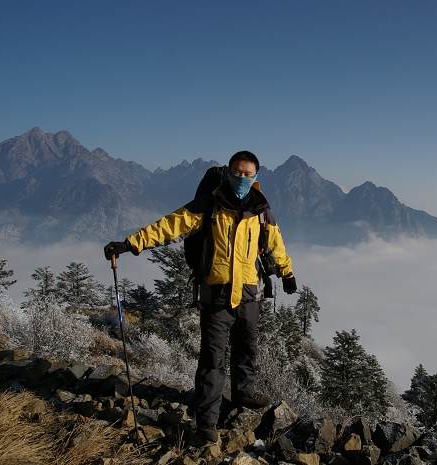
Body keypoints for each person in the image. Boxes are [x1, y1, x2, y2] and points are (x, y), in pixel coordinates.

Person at [104, 151, 297, 443]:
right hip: (216, 296)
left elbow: (275, 241)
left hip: (249, 295)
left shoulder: (261, 208)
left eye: (247, 174)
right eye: (236, 173)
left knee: (247, 349)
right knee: (212, 360)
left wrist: (287, 272)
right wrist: (131, 244)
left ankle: (244, 394)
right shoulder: (209, 204)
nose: (241, 178)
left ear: (256, 176)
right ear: (228, 172)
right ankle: (207, 422)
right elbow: (170, 226)